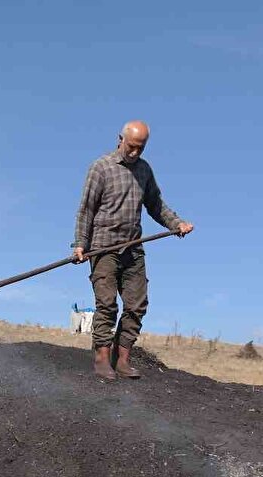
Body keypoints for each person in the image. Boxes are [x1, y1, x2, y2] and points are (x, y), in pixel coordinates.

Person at [72, 120, 193, 379]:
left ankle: (123, 358)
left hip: (133, 247)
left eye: (141, 148)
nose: (135, 152)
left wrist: (176, 224)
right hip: (103, 247)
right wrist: (81, 244)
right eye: (132, 146)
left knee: (137, 304)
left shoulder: (144, 171)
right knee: (106, 304)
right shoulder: (101, 168)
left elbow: (156, 205)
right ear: (120, 139)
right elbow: (86, 210)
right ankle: (102, 358)